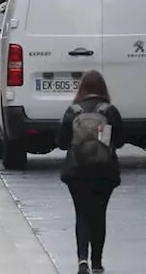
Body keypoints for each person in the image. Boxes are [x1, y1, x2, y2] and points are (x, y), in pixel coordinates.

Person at [57, 70, 126, 274]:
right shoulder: (110, 111)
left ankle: (82, 259)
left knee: (82, 214)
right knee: (99, 214)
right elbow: (121, 141)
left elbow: (61, 142)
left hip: (77, 171)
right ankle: (97, 263)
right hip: (104, 170)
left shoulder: (73, 111)